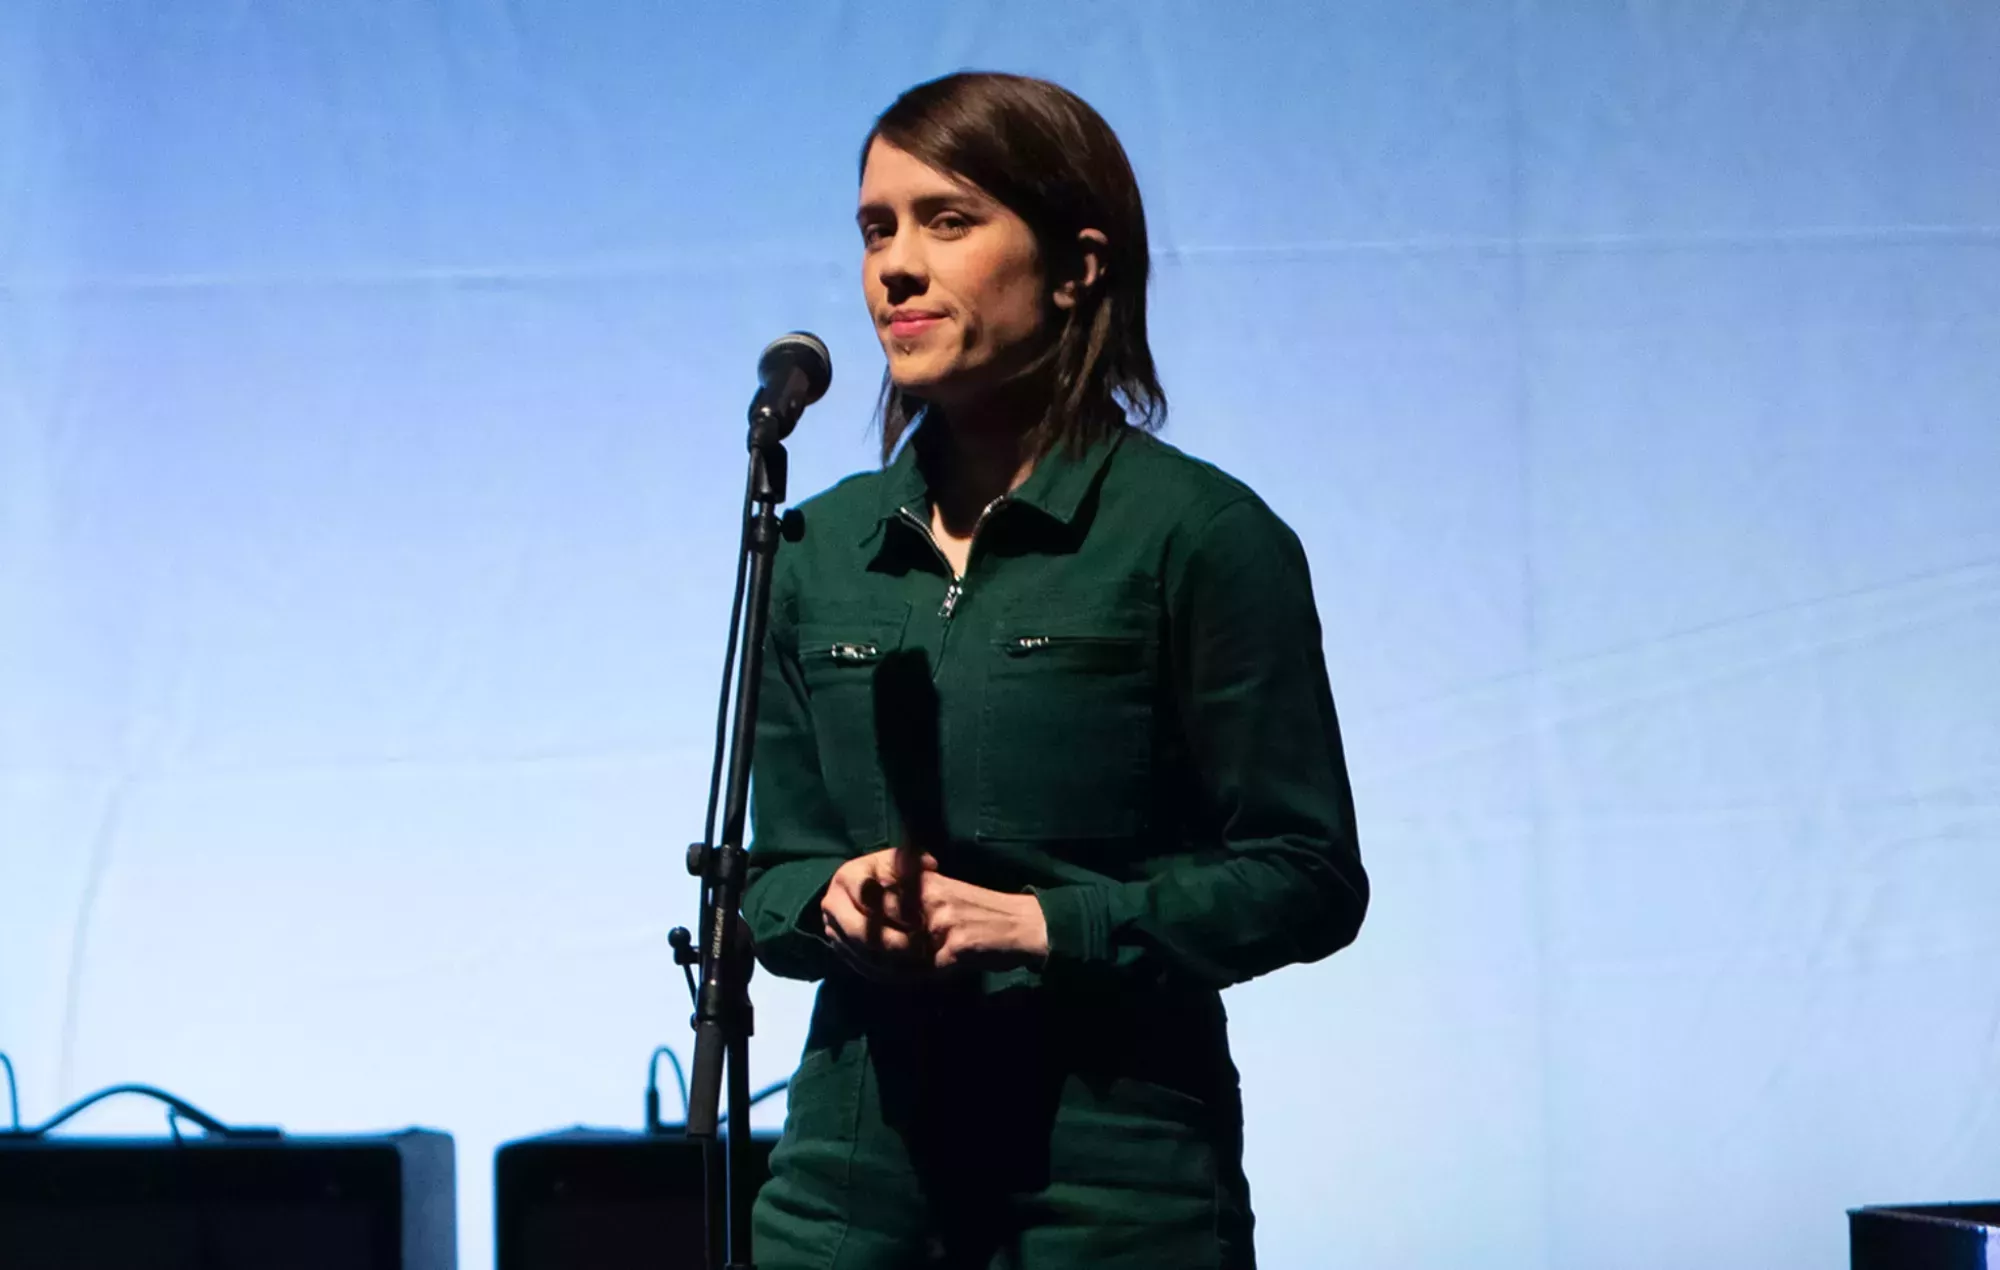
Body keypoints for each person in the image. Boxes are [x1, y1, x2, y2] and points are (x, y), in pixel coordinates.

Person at [740, 70, 1367, 1270]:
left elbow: (1304, 874)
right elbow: (768, 872)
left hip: (1111, 1206)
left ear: (1078, 266)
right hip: (845, 1206)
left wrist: (1040, 925)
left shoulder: (1200, 537)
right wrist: (830, 900)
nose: (894, 268)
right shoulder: (813, 548)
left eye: (947, 220)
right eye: (876, 228)